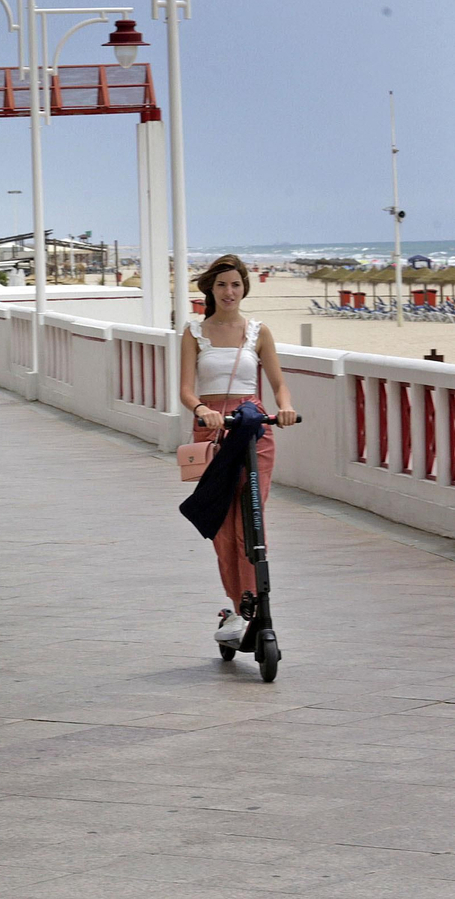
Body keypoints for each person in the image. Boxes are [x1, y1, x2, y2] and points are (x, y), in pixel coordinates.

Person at [177, 254, 299, 648]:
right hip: (213, 430)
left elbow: (278, 384)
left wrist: (285, 407)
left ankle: (255, 605)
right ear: (210, 290)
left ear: (244, 288)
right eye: (222, 285)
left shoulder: (258, 332)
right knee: (224, 527)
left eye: (235, 284)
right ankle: (236, 607)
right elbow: (186, 390)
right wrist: (202, 410)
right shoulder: (194, 332)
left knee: (251, 521)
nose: (229, 292)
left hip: (252, 429)